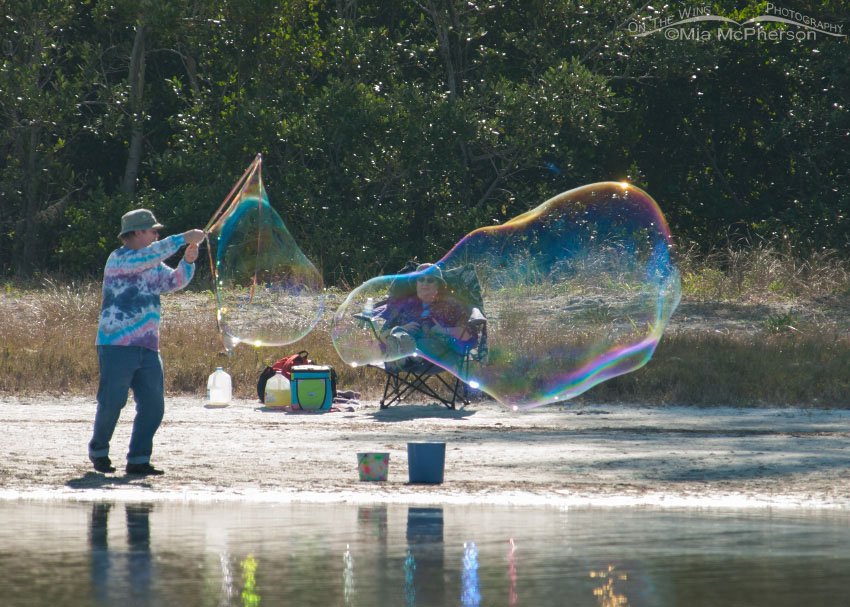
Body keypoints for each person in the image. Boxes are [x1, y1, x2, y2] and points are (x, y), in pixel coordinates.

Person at [88, 208, 205, 476]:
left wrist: (187, 261)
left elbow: (173, 282)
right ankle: (99, 450)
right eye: (153, 230)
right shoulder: (119, 259)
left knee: (153, 406)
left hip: (148, 346)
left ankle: (139, 459)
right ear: (137, 232)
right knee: (112, 402)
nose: (156, 234)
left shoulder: (150, 261)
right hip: (116, 345)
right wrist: (182, 237)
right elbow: (152, 255)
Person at [381, 263, 475, 363]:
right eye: (421, 279)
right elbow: (382, 336)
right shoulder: (404, 306)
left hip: (440, 355)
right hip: (403, 352)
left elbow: (467, 335)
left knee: (423, 343)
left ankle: (409, 355)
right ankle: (406, 353)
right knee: (397, 333)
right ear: (416, 283)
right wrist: (402, 329)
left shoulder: (451, 305)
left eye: (430, 280)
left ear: (438, 286)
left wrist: (444, 330)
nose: (424, 283)